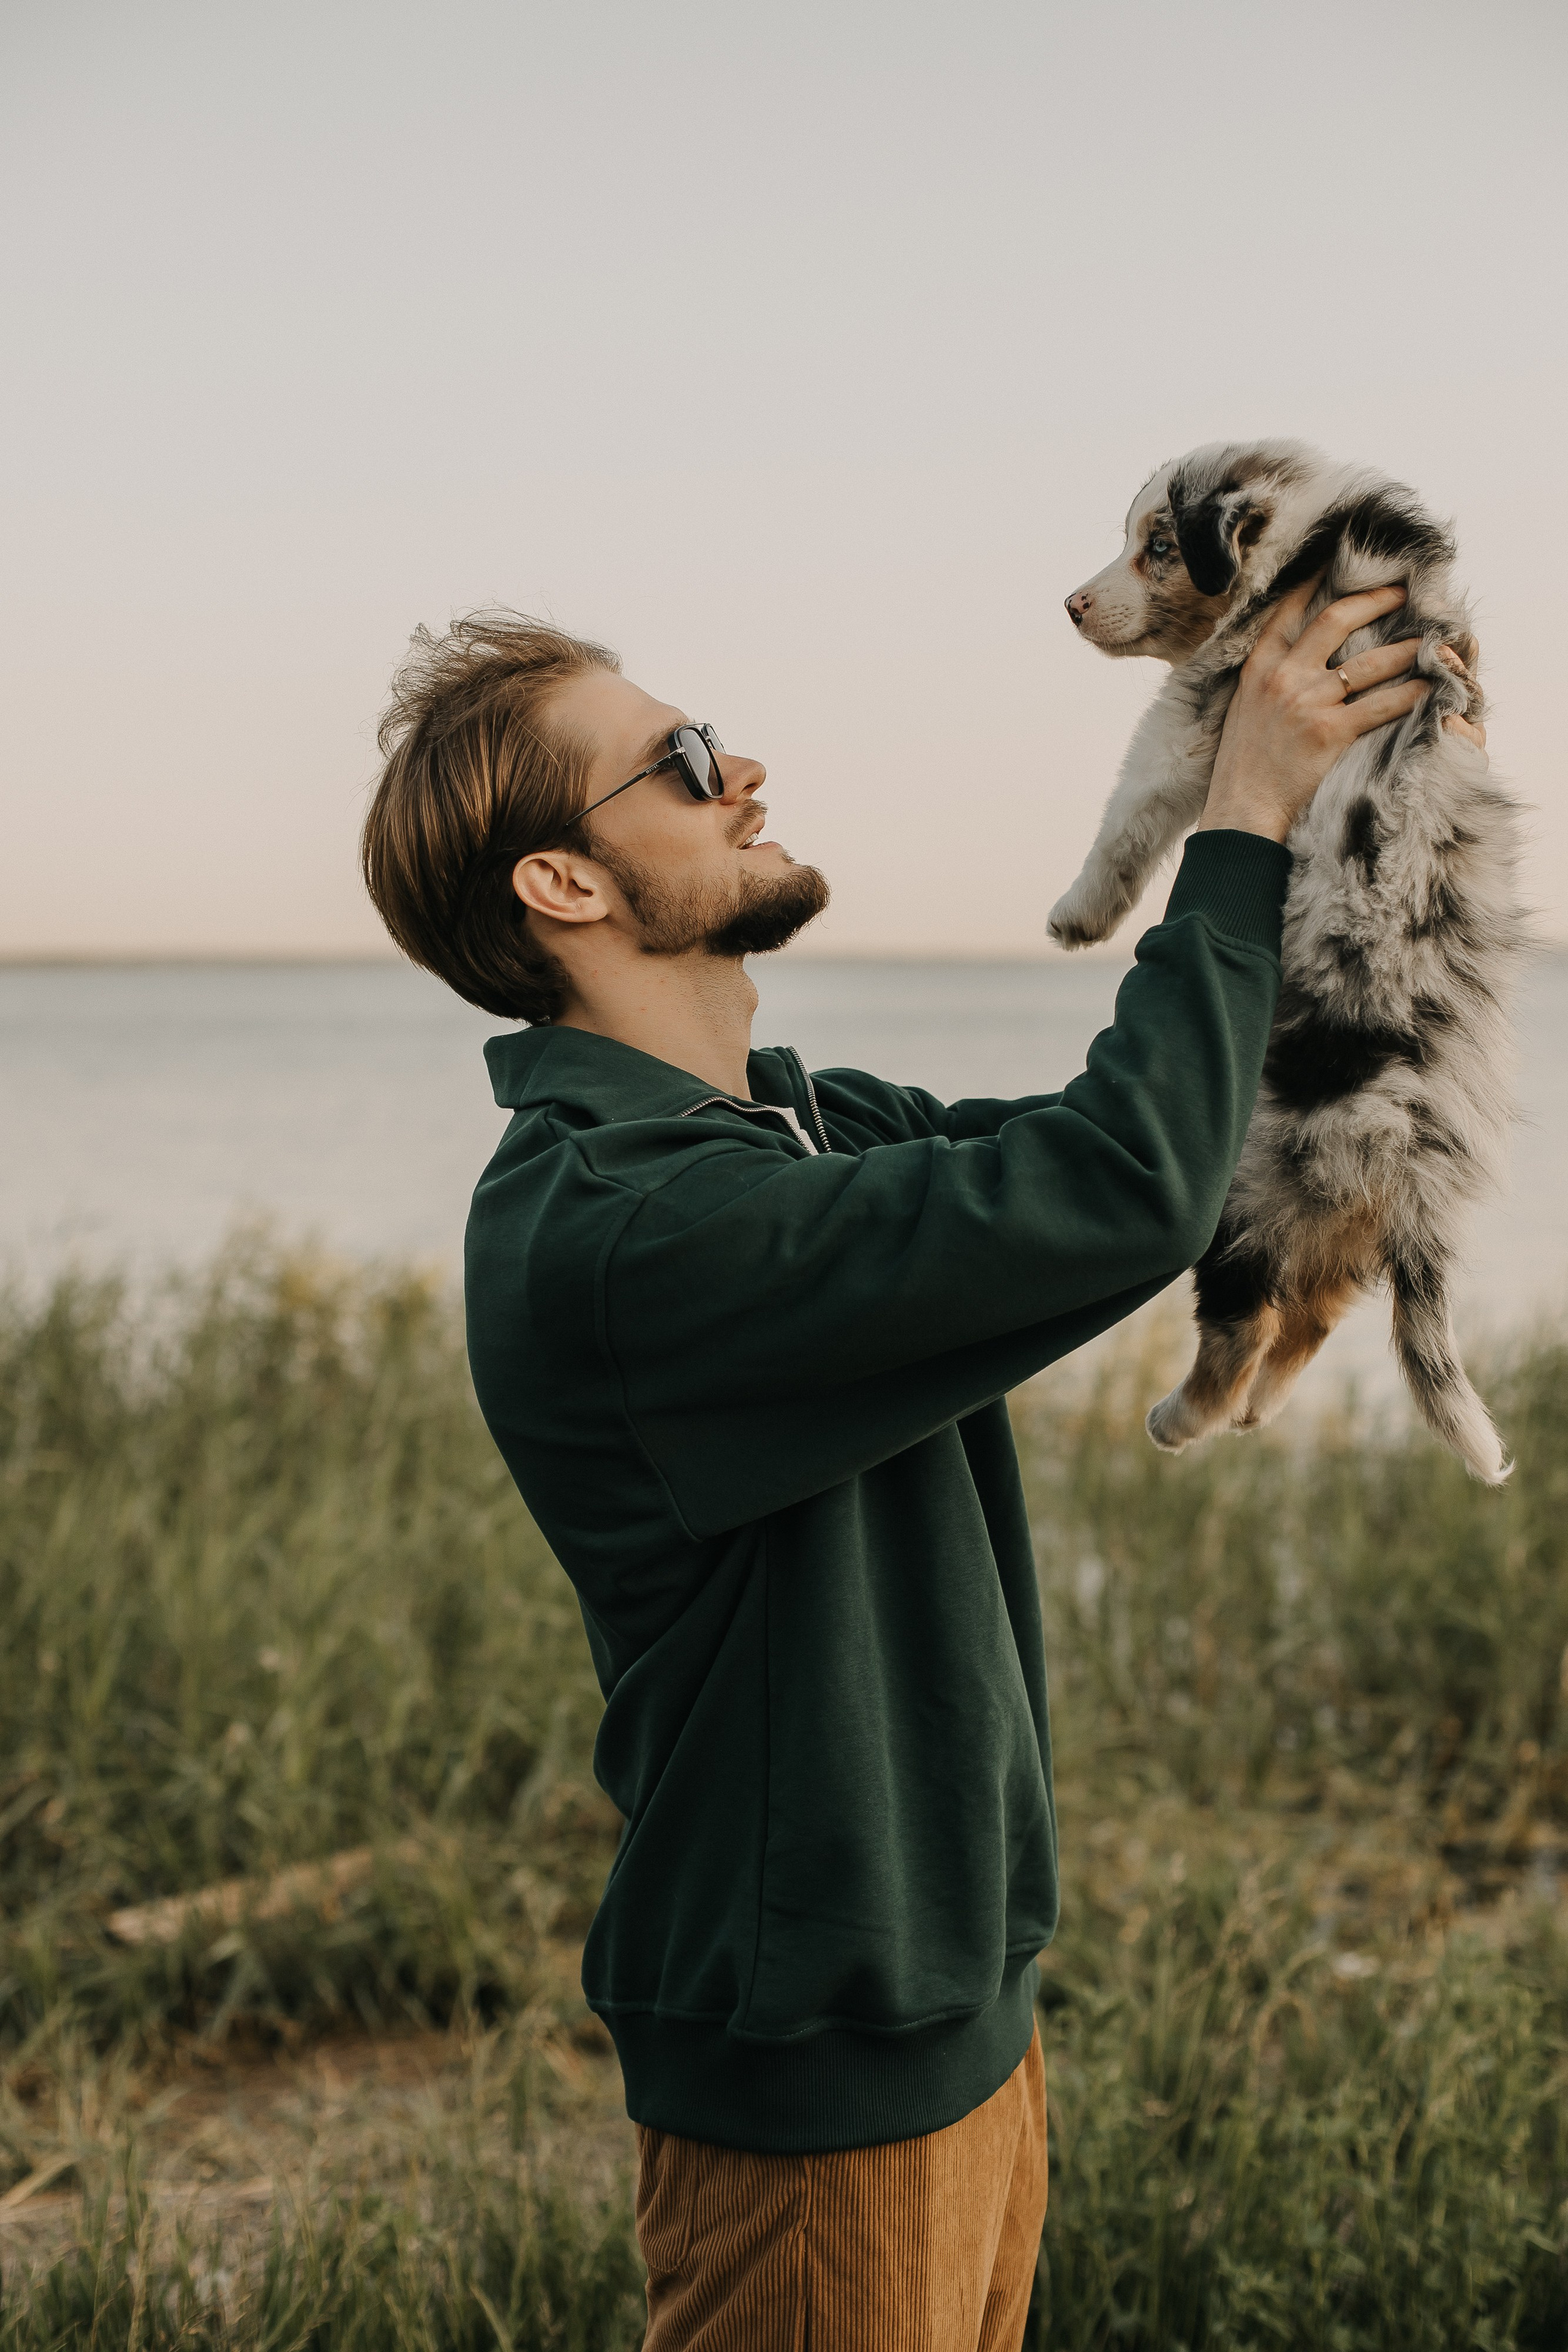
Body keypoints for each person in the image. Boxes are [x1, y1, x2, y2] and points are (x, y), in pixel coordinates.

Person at [361, 587, 1482, 2351]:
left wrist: (1362, 815)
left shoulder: (804, 1125)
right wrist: (1236, 815)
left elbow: (1174, 1162)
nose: (744, 775)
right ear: (562, 886)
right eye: (682, 761)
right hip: (810, 2085)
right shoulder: (629, 1228)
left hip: (964, 2026)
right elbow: (1122, 1189)